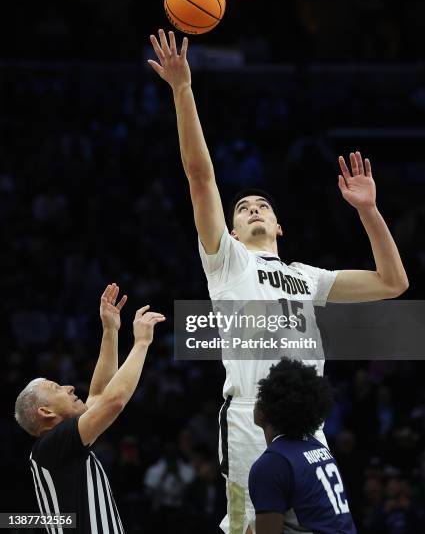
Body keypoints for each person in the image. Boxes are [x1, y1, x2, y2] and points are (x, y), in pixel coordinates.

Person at [148, 29, 408, 534]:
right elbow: (201, 178)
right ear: (232, 228)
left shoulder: (306, 278)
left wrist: (370, 211)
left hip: (309, 424)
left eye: (262, 206)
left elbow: (392, 282)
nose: (252, 210)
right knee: (252, 530)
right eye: (242, 210)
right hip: (252, 418)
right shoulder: (227, 263)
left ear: (279, 225)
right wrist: (183, 90)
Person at [14, 283, 165, 533]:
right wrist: (141, 343)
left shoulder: (59, 448)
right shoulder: (50, 447)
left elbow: (99, 395)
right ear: (46, 412)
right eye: (56, 388)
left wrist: (110, 330)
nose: (70, 387)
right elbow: (113, 401)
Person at [249, 357, 357, 534]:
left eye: (261, 396)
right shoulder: (319, 449)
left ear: (267, 410)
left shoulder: (272, 465)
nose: (256, 401)